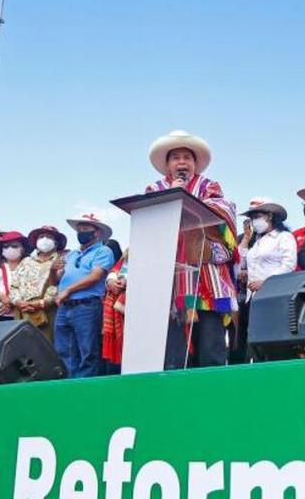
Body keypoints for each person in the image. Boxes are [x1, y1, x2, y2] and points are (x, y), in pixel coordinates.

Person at [145, 130, 239, 369]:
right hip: (170, 279)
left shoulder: (210, 186)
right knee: (174, 349)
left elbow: (224, 210)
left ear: (195, 164)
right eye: (176, 158)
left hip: (207, 276)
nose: (182, 162)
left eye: (187, 158)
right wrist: (172, 195)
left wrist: (184, 199)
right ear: (167, 165)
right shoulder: (153, 189)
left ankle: (213, 388)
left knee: (211, 343)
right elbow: (148, 219)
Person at [55, 214, 116, 378]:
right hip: (65, 306)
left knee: (87, 351)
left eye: (85, 229)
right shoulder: (71, 255)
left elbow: (95, 276)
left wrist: (68, 290)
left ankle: (84, 388)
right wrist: (54, 271)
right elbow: (59, 279)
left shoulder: (103, 251)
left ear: (96, 233)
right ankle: (68, 385)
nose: (81, 232)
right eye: (79, 229)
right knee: (64, 350)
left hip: (87, 306)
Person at [20, 225, 66, 343]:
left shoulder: (62, 261)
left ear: (56, 243)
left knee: (46, 346)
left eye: (49, 237)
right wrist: (19, 302)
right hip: (23, 310)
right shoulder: (26, 261)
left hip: (48, 312)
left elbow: (56, 285)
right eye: (41, 236)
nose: (44, 239)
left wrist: (41, 303)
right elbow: (15, 285)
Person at [0, 231, 35, 323]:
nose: (10, 249)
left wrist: (13, 302)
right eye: (6, 246)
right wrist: (3, 298)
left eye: (14, 246)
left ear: (23, 249)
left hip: (23, 314)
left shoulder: (32, 266)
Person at [102, 252, 128, 374]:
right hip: (117, 312)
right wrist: (111, 281)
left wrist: (127, 280)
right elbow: (114, 271)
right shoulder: (126, 258)